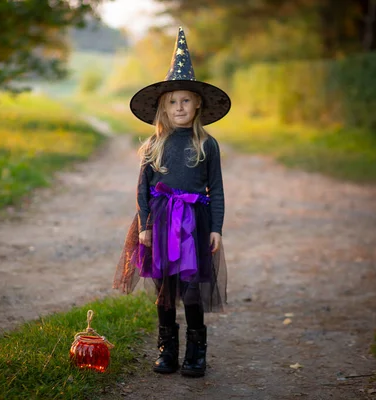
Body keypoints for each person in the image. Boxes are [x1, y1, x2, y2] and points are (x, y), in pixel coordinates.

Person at [112, 27, 230, 377]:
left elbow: (217, 190)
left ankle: (196, 351)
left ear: (198, 105)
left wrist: (217, 229)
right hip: (161, 225)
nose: (179, 107)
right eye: (173, 101)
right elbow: (142, 190)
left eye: (186, 101)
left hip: (195, 224)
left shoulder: (207, 145)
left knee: (192, 292)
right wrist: (145, 226)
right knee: (164, 291)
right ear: (164, 107)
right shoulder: (153, 145)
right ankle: (167, 348)